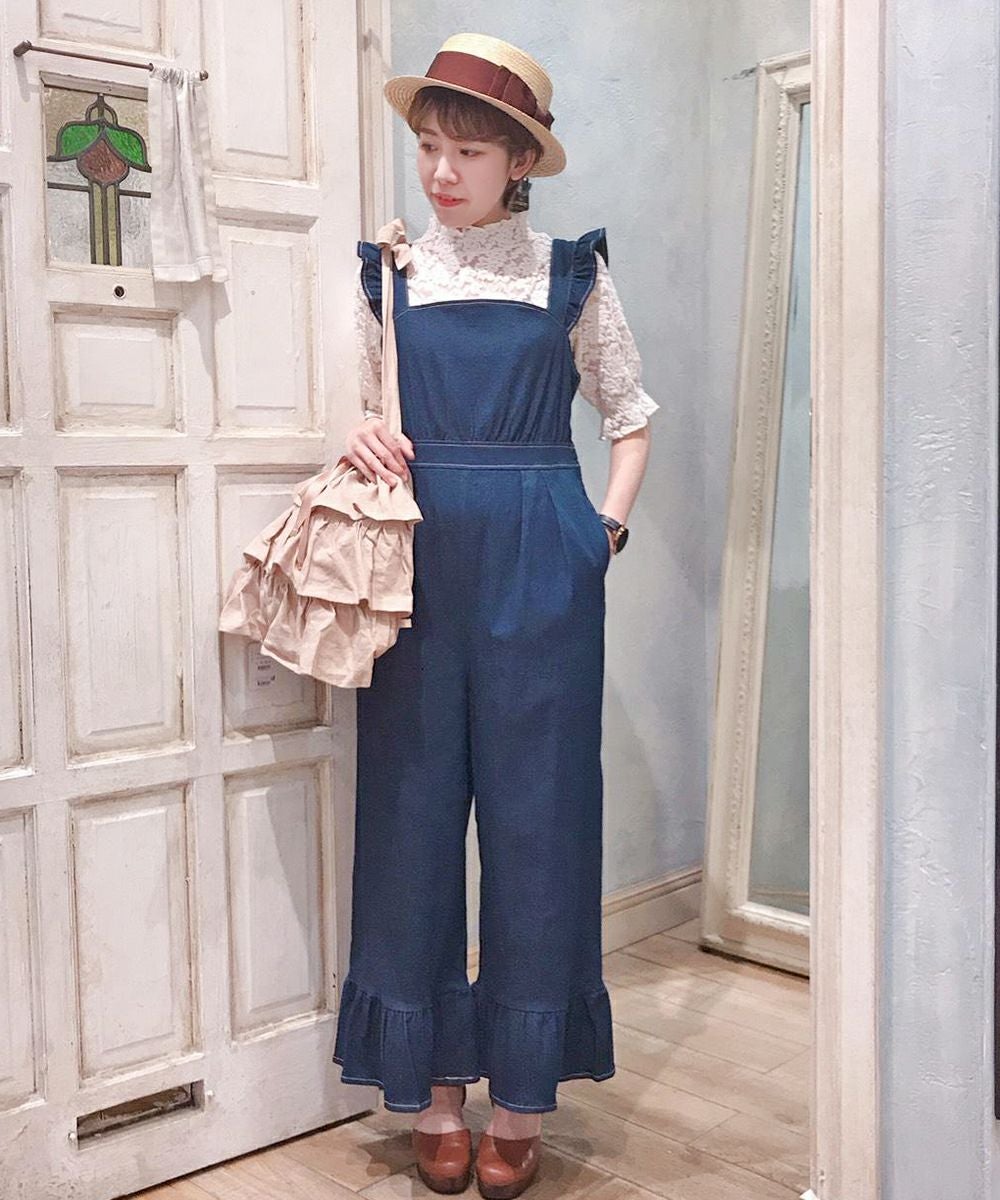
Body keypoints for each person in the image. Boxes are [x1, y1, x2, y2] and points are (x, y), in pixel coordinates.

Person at [332, 32, 658, 1199]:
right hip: (414, 569)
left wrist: (598, 537)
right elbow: (354, 408)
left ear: (518, 161)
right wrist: (356, 432)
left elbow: (630, 415)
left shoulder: (572, 274)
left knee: (540, 822)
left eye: (466, 151)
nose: (439, 171)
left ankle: (520, 1097)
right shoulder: (387, 273)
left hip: (542, 564)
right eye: (427, 145)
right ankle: (431, 1090)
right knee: (409, 817)